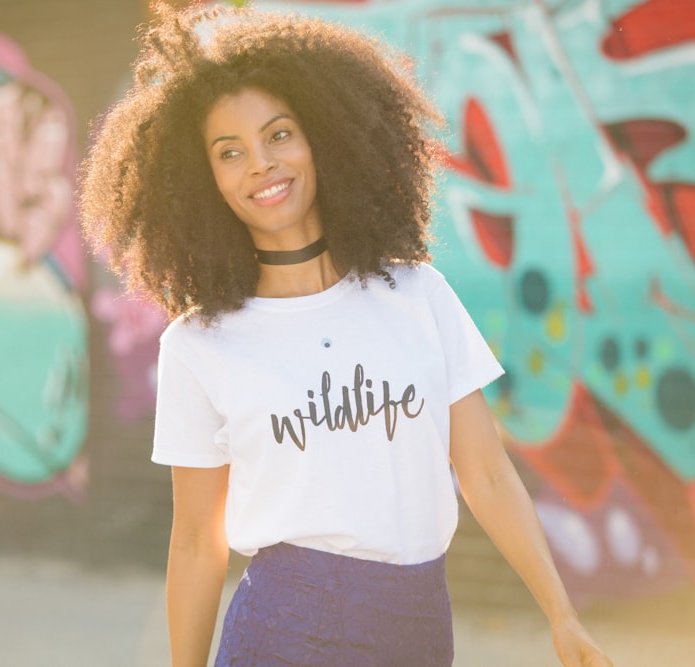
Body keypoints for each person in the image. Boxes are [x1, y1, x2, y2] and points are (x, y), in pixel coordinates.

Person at [80, 4, 613, 666]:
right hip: (285, 629)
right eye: (229, 152)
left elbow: (487, 474)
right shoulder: (200, 346)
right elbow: (195, 539)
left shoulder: (418, 295)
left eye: (280, 134)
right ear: (203, 180)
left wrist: (561, 613)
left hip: (421, 627)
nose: (260, 165)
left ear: (323, 136)